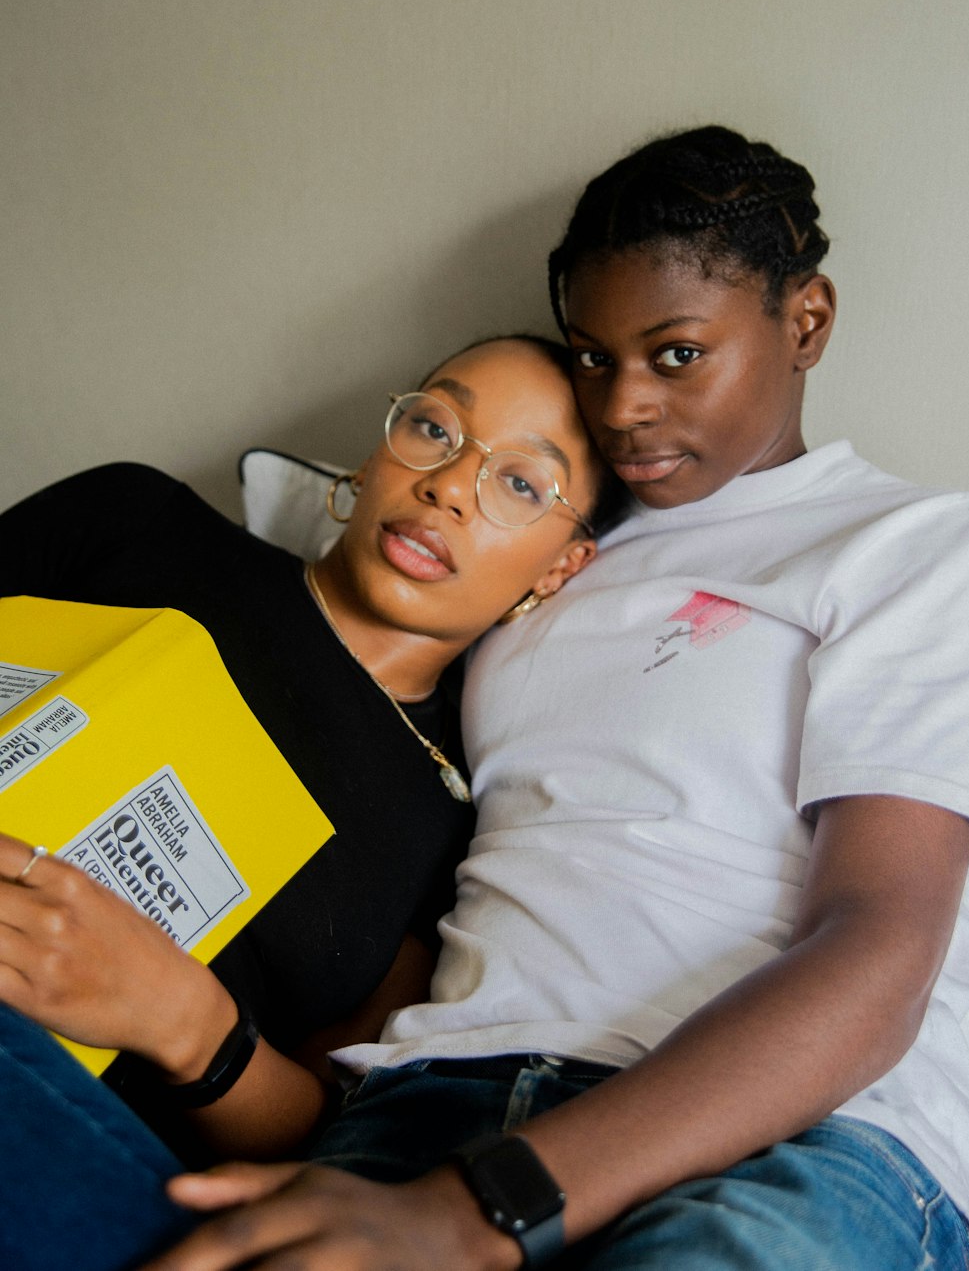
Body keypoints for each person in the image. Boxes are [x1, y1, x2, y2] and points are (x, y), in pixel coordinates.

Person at [4, 127, 969, 1271]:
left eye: (676, 355)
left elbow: (877, 944)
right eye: (592, 356)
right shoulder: (522, 578)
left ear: (806, 321)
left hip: (789, 1136)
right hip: (439, 1096)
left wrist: (484, 1205)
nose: (624, 406)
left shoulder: (907, 543)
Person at [0, 335, 617, 1179]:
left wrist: (182, 1022)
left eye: (519, 483)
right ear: (376, 454)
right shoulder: (135, 520)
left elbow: (325, 1134)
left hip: (74, 1136)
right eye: (436, 429)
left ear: (561, 567)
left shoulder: (455, 831)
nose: (446, 487)